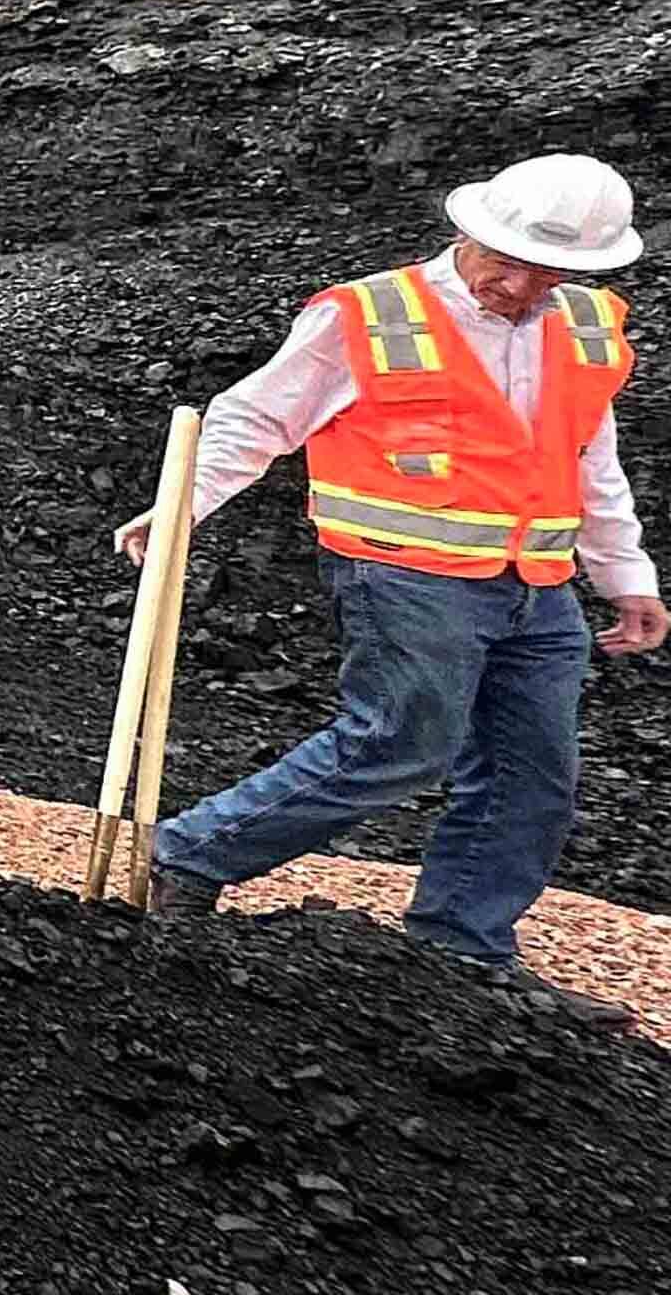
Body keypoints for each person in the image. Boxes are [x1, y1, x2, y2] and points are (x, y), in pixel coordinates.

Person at [117, 153, 658, 1004]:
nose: (519, 286)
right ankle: (192, 853)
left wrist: (625, 572)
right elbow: (258, 417)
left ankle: (464, 949)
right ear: (467, 231)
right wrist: (179, 508)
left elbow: (591, 455)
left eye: (547, 271)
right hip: (404, 576)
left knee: (534, 772)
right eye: (504, 263)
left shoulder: (588, 326)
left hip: (538, 586)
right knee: (402, 742)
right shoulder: (369, 315)